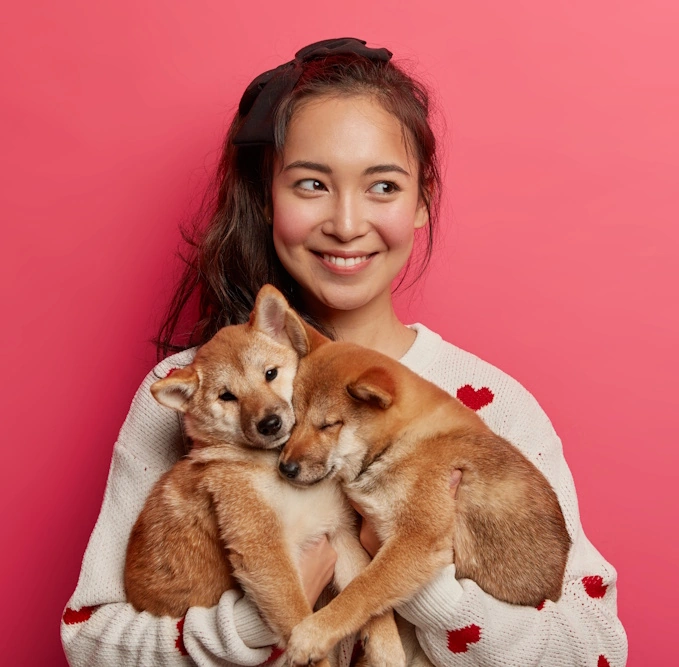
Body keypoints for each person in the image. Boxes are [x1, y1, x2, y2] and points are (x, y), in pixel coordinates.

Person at [61, 38, 628, 667]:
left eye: (383, 186)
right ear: (267, 198)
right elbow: (88, 637)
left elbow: (594, 649)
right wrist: (259, 621)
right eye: (311, 184)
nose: (347, 222)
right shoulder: (190, 396)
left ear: (423, 201)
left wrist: (419, 580)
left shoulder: (486, 401)